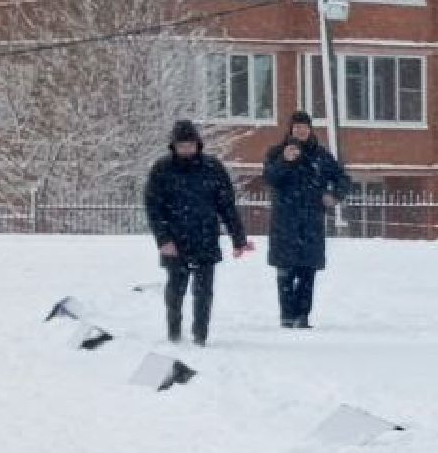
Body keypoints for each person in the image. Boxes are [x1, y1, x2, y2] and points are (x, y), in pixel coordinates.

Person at [144, 119, 251, 346]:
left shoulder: (213, 168)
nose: (186, 150)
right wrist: (163, 240)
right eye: (182, 146)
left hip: (205, 238)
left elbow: (227, 206)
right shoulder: (161, 170)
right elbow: (154, 208)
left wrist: (238, 239)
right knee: (175, 291)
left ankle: (200, 335)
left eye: (190, 145)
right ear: (173, 146)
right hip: (174, 240)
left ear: (198, 144)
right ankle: (174, 332)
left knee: (204, 293)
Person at [262, 111, 353, 329]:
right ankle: (287, 316)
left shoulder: (320, 155)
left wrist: (335, 195)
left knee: (307, 271)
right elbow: (270, 178)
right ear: (290, 129)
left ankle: (302, 316)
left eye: (304, 127)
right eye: (296, 127)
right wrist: (285, 161)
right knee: (285, 271)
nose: (300, 131)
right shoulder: (277, 153)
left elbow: (342, 178)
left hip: (311, 222)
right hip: (284, 222)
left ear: (310, 129)